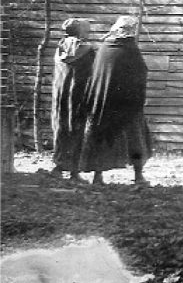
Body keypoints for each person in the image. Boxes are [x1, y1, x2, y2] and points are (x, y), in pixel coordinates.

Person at [79, 16, 152, 185]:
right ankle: (138, 175)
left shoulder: (104, 48)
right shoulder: (130, 50)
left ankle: (98, 176)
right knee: (135, 138)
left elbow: (96, 77)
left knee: (101, 137)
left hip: (103, 103)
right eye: (131, 30)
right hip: (127, 105)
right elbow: (141, 73)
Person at [50, 18, 95, 182]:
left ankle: (58, 166)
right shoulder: (88, 50)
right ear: (80, 31)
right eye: (86, 29)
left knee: (60, 127)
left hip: (60, 95)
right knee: (76, 129)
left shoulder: (59, 47)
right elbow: (93, 73)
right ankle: (74, 172)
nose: (88, 32)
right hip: (78, 96)